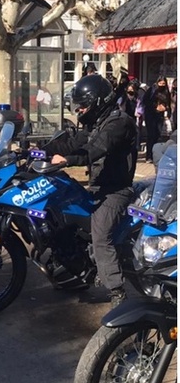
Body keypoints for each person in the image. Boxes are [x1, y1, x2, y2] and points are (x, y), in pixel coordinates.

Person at [49, 75, 137, 307]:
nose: (80, 109)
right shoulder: (96, 122)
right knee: (62, 212)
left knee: (100, 235)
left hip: (116, 191)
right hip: (97, 188)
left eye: (83, 105)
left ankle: (118, 293)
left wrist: (66, 161)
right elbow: (73, 142)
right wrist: (37, 149)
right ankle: (71, 271)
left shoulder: (120, 123)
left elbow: (94, 150)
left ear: (98, 101)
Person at [143, 76, 170, 162]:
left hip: (160, 116)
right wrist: (155, 107)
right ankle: (149, 156)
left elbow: (168, 102)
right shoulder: (152, 90)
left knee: (158, 135)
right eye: (160, 83)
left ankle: (155, 155)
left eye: (163, 84)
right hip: (150, 115)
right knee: (151, 135)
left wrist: (165, 108)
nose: (162, 85)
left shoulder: (166, 92)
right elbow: (145, 101)